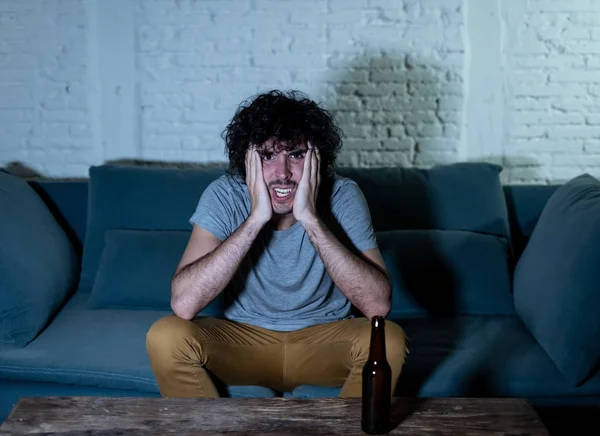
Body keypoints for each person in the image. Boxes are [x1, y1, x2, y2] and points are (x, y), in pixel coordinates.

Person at [146, 90, 408, 398]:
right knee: (165, 336)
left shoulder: (342, 195)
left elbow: (378, 306)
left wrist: (310, 218)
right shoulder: (224, 194)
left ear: (317, 159)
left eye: (296, 155)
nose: (282, 174)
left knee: (388, 339)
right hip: (244, 343)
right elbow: (184, 304)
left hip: (324, 341)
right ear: (246, 160)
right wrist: (256, 218)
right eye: (267, 156)